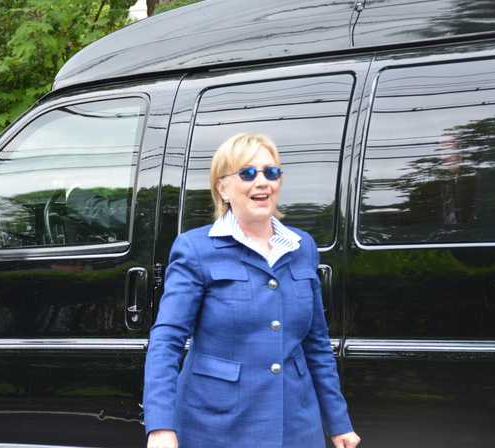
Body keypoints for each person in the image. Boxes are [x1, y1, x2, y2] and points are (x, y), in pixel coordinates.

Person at [143, 133, 360, 448]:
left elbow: (315, 345)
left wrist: (339, 422)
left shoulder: (302, 247)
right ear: (223, 187)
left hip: (295, 427)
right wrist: (161, 426)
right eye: (247, 173)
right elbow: (167, 341)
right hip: (217, 427)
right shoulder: (195, 248)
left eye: (271, 172)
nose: (262, 182)